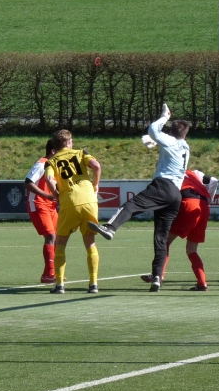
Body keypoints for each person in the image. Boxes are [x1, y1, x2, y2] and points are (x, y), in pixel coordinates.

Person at [90, 104, 190, 293]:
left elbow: (153, 130)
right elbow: (167, 142)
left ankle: (110, 228)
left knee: (131, 205)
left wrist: (164, 117)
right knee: (161, 238)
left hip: (163, 186)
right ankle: (157, 277)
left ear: (170, 132)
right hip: (176, 195)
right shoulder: (185, 146)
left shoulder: (171, 141)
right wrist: (157, 142)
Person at [140, 169, 218, 291]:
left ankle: (158, 275)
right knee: (191, 249)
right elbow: (214, 180)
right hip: (203, 208)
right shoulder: (194, 172)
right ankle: (202, 283)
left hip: (188, 203)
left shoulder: (169, 174)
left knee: (165, 242)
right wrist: (208, 200)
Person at [44, 130, 102, 295]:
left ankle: (60, 285)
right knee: (90, 243)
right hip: (89, 201)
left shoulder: (50, 161)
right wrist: (95, 185)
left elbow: (49, 180)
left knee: (61, 243)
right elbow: (96, 166)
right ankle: (93, 284)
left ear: (55, 146)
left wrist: (56, 195)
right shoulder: (81, 153)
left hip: (69, 202)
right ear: (69, 143)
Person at [25, 139, 59, 283]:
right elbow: (28, 182)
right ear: (53, 151)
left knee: (57, 237)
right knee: (50, 235)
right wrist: (46, 195)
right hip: (38, 204)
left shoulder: (56, 165)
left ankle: (49, 274)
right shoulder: (42, 164)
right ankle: (50, 274)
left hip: (51, 206)